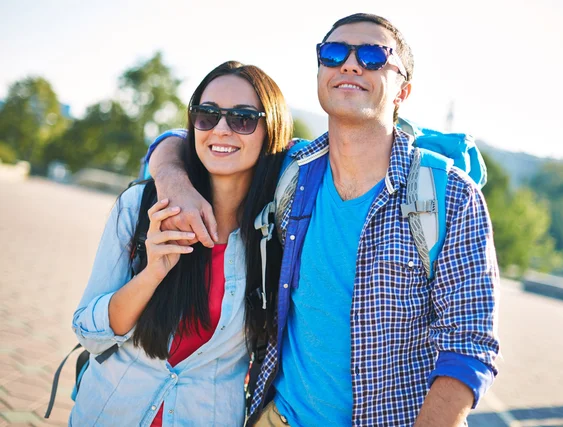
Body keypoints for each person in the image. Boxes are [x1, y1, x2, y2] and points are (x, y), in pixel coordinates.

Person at [146, 13, 500, 427]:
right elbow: (185, 138)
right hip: (279, 417)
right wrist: (173, 180)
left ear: (403, 90)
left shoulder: (449, 195)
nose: (350, 64)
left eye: (373, 55)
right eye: (333, 53)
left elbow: (469, 345)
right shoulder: (292, 168)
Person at [69, 60, 293, 426]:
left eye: (242, 118)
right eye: (207, 115)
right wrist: (153, 272)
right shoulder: (141, 207)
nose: (221, 129)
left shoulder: (277, 233)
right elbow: (89, 333)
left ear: (272, 130)